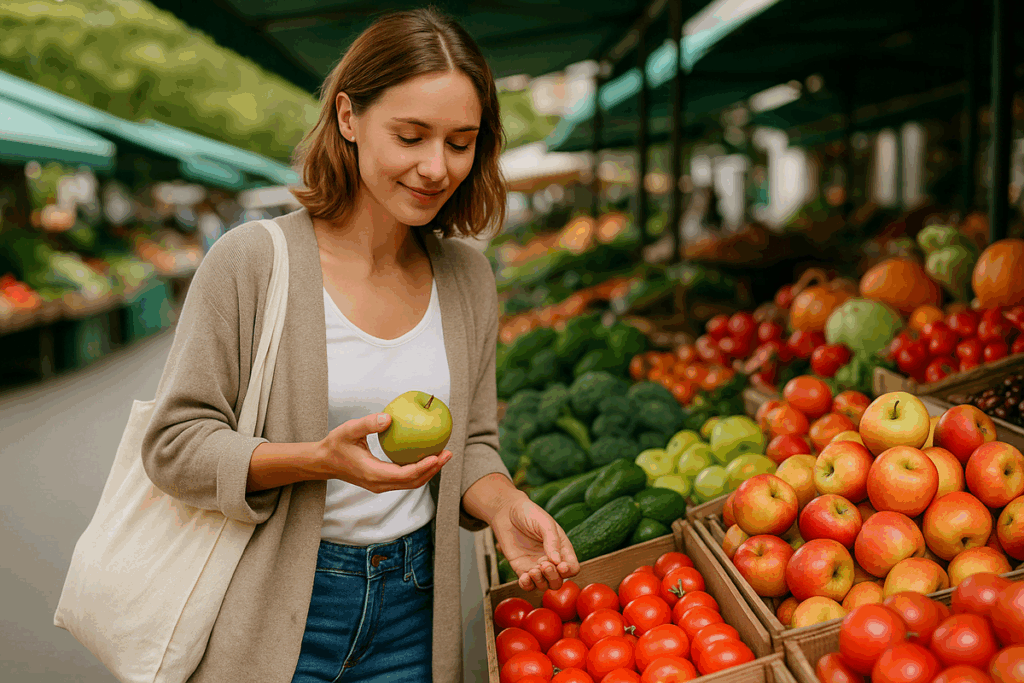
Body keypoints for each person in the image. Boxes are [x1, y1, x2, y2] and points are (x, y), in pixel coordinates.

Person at [140, 7, 579, 683]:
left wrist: (504, 504)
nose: (436, 167)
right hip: (277, 608)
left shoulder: (466, 278)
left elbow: (476, 443)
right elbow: (174, 443)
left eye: (460, 143)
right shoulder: (252, 262)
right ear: (348, 116)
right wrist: (317, 459)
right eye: (411, 136)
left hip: (414, 611)